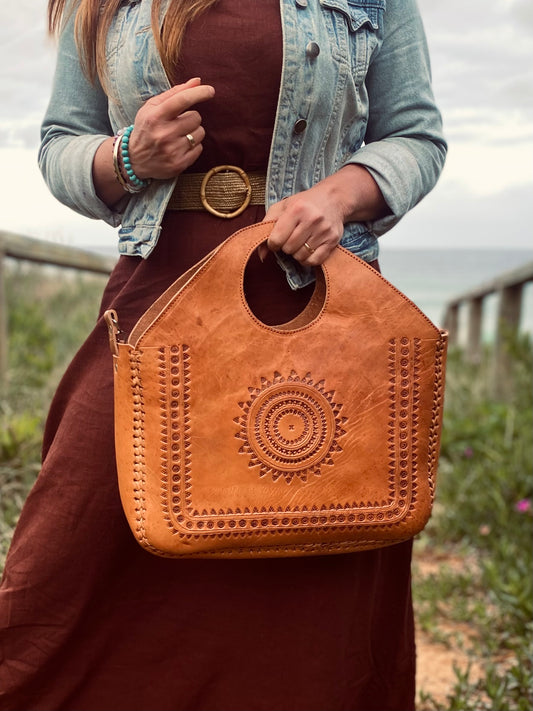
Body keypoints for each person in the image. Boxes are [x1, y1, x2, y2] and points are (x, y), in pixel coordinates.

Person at [0, 0, 446, 708]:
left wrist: (336, 195)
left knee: (319, 570)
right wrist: (124, 156)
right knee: (67, 560)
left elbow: (416, 138)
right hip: (157, 299)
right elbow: (61, 141)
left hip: (318, 304)